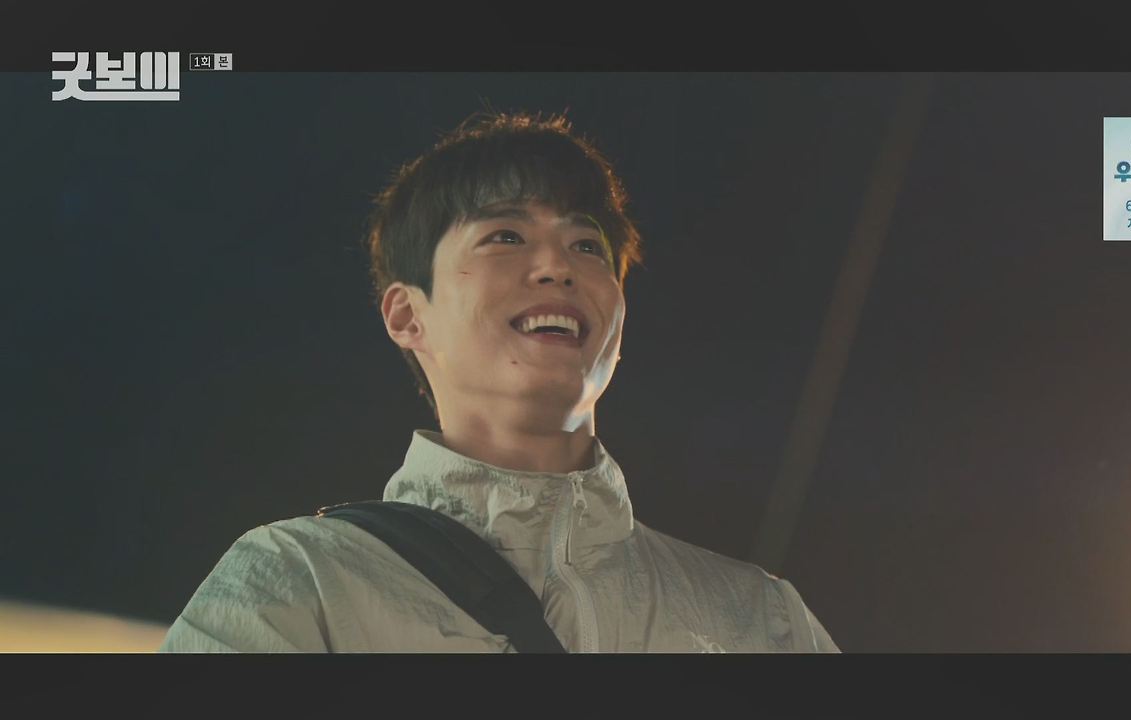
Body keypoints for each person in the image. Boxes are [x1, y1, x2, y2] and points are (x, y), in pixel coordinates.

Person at [159, 111, 839, 652]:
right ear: (407, 315)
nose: (557, 267)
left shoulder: (761, 619)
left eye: (587, 246)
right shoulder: (302, 580)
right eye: (506, 236)